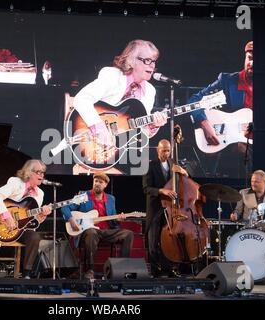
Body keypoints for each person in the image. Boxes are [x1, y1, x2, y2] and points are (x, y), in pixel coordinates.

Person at [72, 39, 167, 166]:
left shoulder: (150, 91)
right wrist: (99, 129)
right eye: (147, 60)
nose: (152, 66)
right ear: (131, 61)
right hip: (91, 143)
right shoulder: (112, 76)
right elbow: (81, 99)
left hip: (122, 154)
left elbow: (139, 132)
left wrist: (153, 126)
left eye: (154, 61)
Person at [0, 159, 51, 278]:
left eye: (43, 173)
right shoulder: (16, 183)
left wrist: (42, 215)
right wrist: (7, 217)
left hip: (20, 230)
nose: (42, 175)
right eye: (39, 172)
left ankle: (27, 274)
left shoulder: (40, 194)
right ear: (29, 172)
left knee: (34, 237)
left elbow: (32, 220)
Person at [188, 41, 253, 177]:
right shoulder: (227, 81)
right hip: (230, 145)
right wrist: (204, 123)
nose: (251, 63)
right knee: (241, 150)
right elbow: (194, 100)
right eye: (249, 58)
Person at [61, 173, 134, 279]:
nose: (97, 184)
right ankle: (89, 270)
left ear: (105, 185)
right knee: (91, 232)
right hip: (87, 232)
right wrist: (71, 220)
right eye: (96, 181)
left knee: (128, 234)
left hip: (105, 231)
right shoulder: (83, 196)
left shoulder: (111, 199)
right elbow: (65, 207)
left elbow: (113, 222)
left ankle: (124, 268)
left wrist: (118, 219)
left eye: (101, 182)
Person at [142, 139, 188, 277]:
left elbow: (185, 179)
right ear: (158, 150)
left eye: (168, 150)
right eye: (163, 150)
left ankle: (171, 269)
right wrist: (162, 191)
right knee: (154, 240)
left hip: (171, 209)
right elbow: (146, 188)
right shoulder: (150, 166)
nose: (166, 153)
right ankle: (156, 270)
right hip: (156, 208)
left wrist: (183, 171)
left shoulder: (173, 163)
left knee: (170, 240)